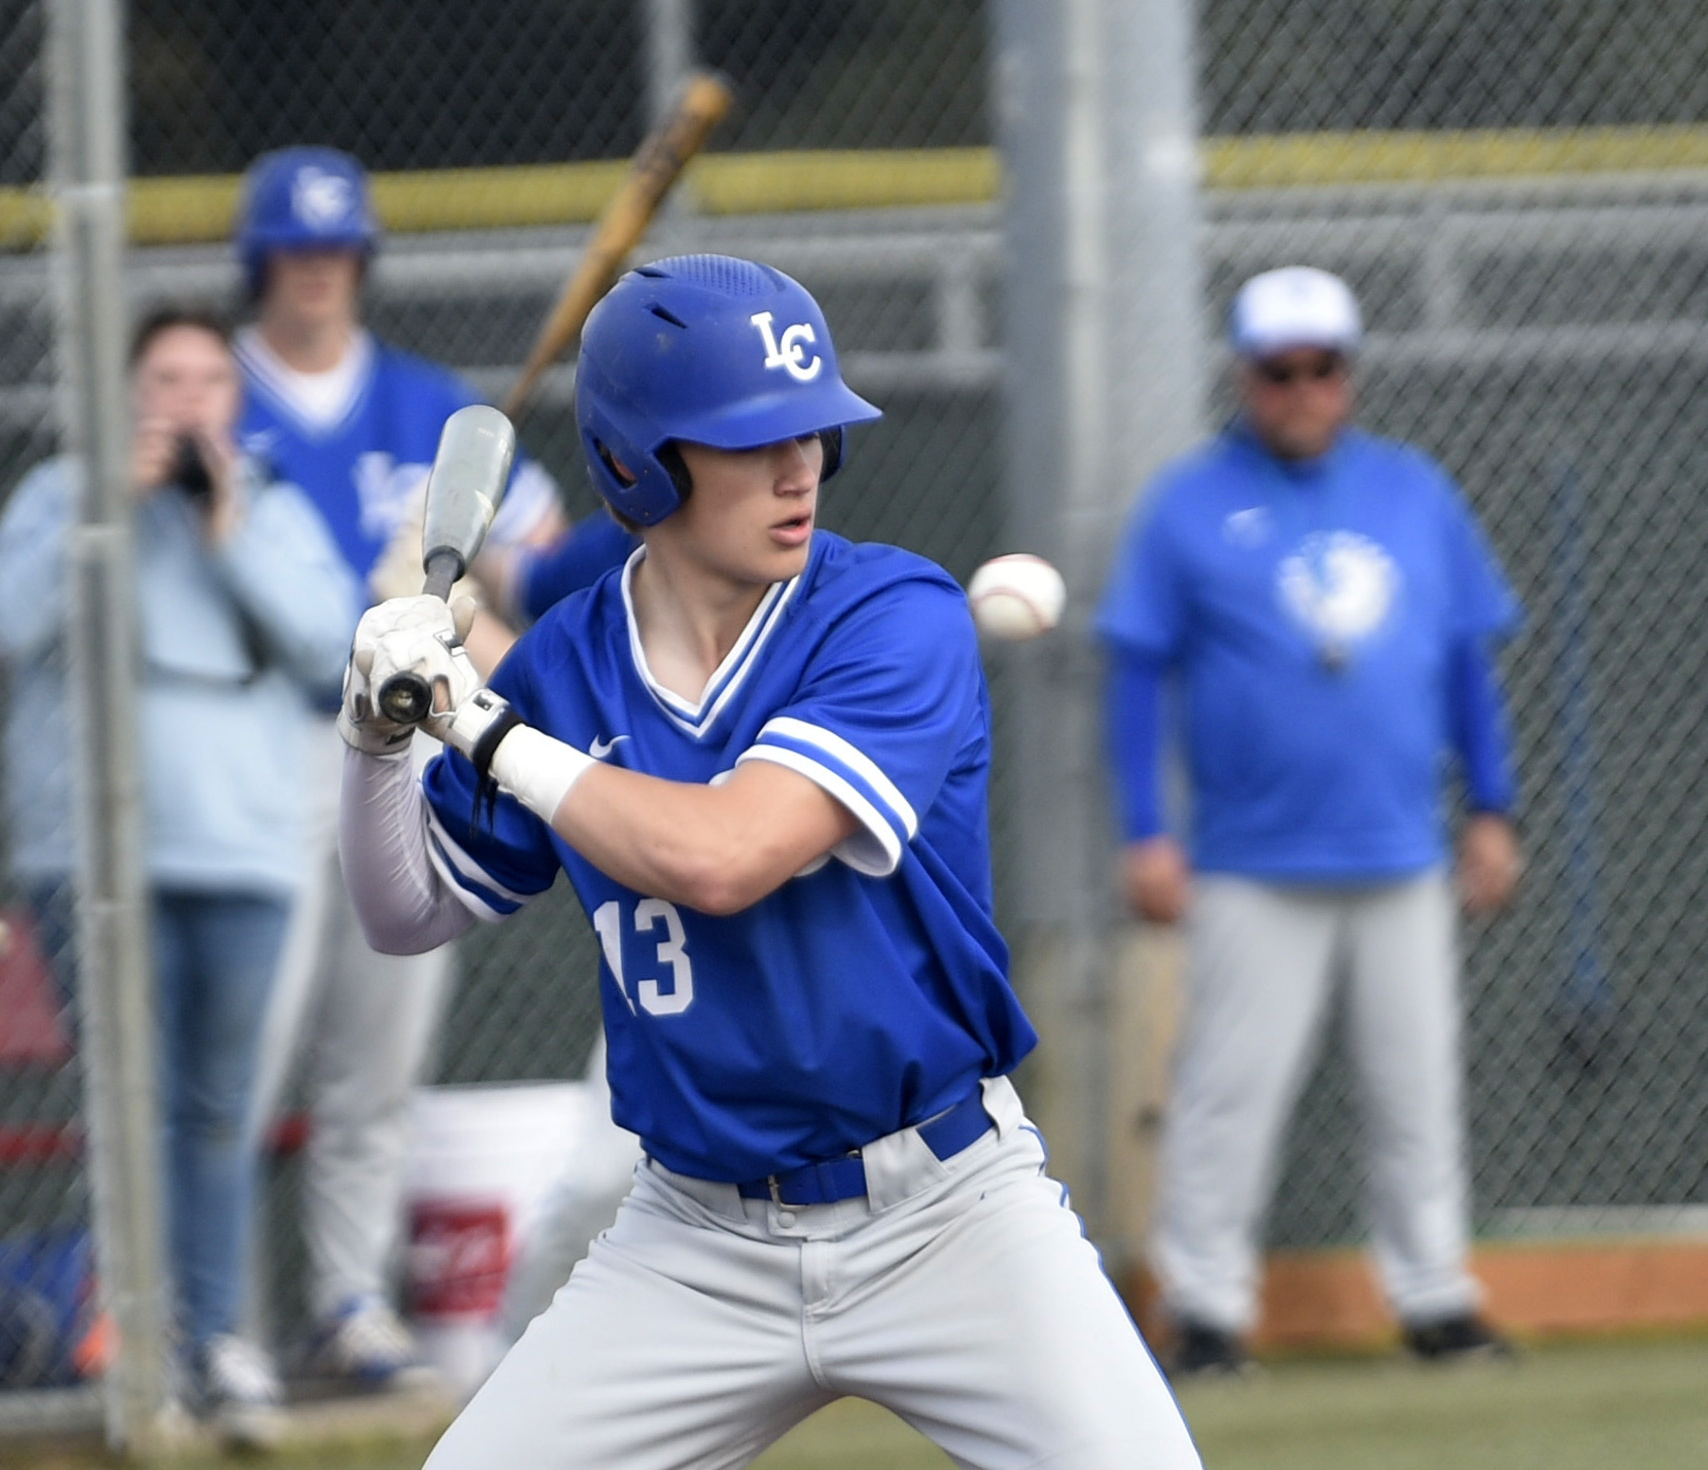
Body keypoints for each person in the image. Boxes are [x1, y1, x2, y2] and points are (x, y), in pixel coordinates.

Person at [337, 254, 1203, 1468]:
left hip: (947, 1212)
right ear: (644, 462)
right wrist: (374, 741)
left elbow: (726, 856)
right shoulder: (569, 665)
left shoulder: (895, 614)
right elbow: (402, 910)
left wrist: (476, 727)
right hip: (695, 1239)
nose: (801, 468)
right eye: (752, 441)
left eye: (813, 432)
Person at [230, 145, 631, 1388]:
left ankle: (349, 1301)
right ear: (259, 265)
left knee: (378, 1051)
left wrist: (450, 601)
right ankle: (216, 1322)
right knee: (244, 1059)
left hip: (409, 747)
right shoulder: (214, 399)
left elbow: (541, 560)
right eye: (295, 255)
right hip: (261, 746)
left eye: (337, 253)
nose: (317, 277)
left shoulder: (432, 410)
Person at [1094, 266, 1524, 1377]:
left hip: (1399, 850)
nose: (1300, 389)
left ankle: (1435, 1298)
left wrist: (1492, 808)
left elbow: (1468, 663)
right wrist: (1146, 829)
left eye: (1321, 367)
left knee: (1416, 1089)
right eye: (1278, 369)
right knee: (1228, 1094)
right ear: (1244, 374)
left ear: (1350, 374)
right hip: (1251, 858)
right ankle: (1203, 1309)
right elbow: (1137, 676)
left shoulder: (1414, 492)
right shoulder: (1186, 503)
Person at [0, 303, 359, 1443]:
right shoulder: (62, 498)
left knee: (217, 1114)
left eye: (206, 380)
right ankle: (137, 1350)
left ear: (232, 401)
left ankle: (220, 1345)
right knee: (127, 1107)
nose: (184, 400)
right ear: (127, 392)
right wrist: (111, 513)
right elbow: (11, 621)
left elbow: (325, 643)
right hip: (97, 865)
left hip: (241, 853)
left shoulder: (276, 508)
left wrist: (224, 527)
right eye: (164, 378)